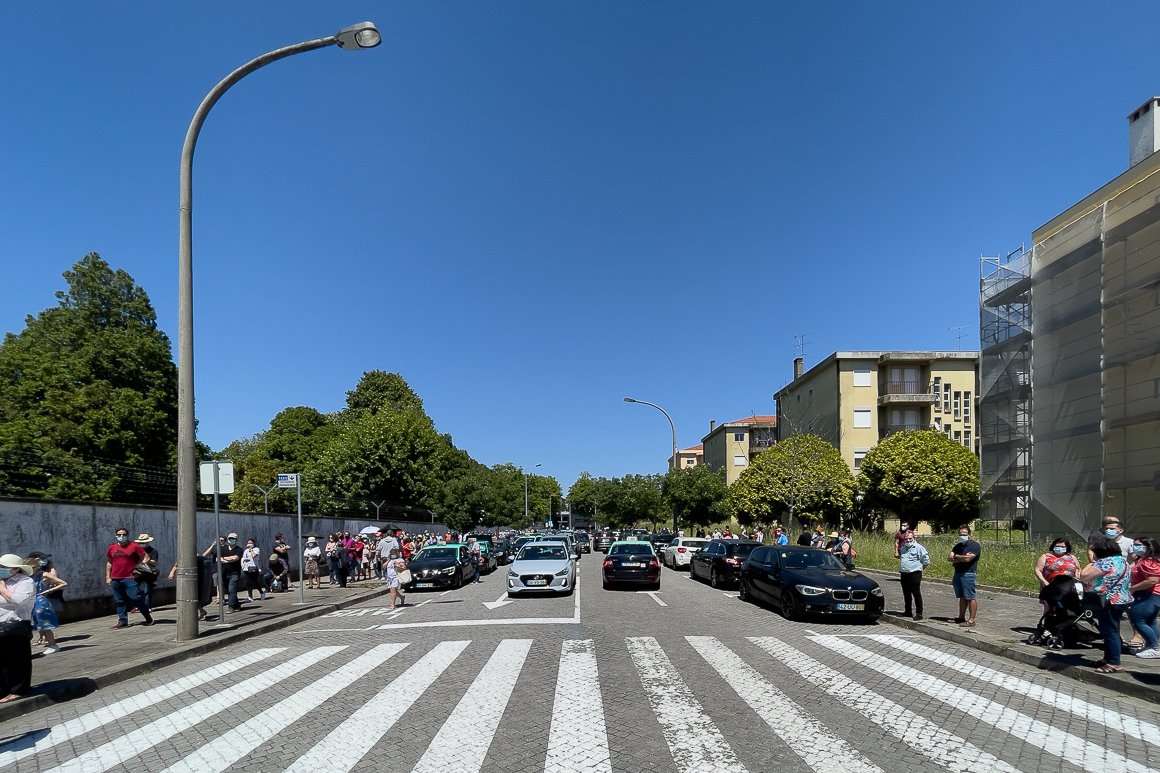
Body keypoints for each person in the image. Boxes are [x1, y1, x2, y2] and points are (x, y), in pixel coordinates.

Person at [1079, 536, 1131, 673]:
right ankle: (1108, 658)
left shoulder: (1104, 562)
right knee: (1113, 629)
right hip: (1121, 599)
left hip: (1107, 600)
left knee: (1109, 632)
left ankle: (1114, 662)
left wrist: (1092, 561)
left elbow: (1084, 575)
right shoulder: (1123, 561)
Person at [0, 554, 36, 703]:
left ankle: (18, 690)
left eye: (4, 567)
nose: (1, 569)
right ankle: (3, 690)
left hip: (16, 625)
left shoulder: (25, 582)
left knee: (16, 659)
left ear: (15, 569)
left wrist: (2, 589)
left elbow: (18, 600)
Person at [106, 526, 153, 628]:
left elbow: (145, 557)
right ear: (116, 535)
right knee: (119, 600)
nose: (121, 536)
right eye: (119, 534)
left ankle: (148, 617)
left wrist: (139, 567)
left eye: (124, 534)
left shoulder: (134, 546)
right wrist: (108, 577)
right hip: (115, 578)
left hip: (129, 577)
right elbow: (109, 562)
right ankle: (122, 621)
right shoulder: (112, 547)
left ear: (127, 535)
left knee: (135, 597)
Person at [1127, 537, 1160, 658]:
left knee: (1138, 620)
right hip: (1149, 594)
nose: (1134, 547)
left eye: (1138, 545)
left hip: (1149, 594)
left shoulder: (1149, 561)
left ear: (1148, 546)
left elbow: (1152, 580)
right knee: (1150, 621)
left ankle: (1154, 647)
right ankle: (1151, 645)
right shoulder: (1144, 559)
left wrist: (1133, 588)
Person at [26, 552, 64, 654]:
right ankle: (46, 641)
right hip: (30, 602)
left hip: (39, 601)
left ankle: (53, 645)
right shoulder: (30, 574)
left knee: (44, 625)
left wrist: (48, 590)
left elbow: (62, 583)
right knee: (38, 625)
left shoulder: (43, 574)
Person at [948, 524, 981, 627]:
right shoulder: (957, 546)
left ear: (969, 534)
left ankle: (971, 620)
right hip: (958, 573)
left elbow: (968, 559)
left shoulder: (974, 546)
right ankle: (961, 617)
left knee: (970, 596)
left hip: (968, 573)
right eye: (961, 534)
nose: (963, 536)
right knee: (962, 597)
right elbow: (949, 558)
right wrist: (961, 557)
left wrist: (956, 556)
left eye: (965, 534)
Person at [898, 534, 930, 619]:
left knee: (916, 593)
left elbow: (926, 561)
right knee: (906, 594)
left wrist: (919, 569)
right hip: (904, 573)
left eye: (910, 538)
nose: (908, 540)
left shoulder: (919, 548)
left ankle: (919, 613)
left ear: (914, 538)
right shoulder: (903, 548)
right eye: (906, 539)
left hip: (914, 573)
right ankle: (908, 611)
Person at [218, 532, 244, 612]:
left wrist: (224, 559)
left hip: (235, 572)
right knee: (228, 590)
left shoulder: (239, 549)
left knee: (232, 588)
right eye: (230, 538)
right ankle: (237, 604)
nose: (231, 540)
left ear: (236, 540)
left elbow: (235, 558)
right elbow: (218, 559)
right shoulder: (223, 548)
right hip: (224, 572)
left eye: (233, 539)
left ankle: (231, 606)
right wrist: (229, 560)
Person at [134, 533, 159, 611]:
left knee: (147, 590)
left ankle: (148, 606)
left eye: (143, 543)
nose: (141, 544)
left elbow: (154, 562)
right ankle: (139, 605)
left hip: (148, 572)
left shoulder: (153, 551)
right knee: (137, 589)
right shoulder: (137, 551)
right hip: (138, 572)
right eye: (140, 543)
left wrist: (147, 560)